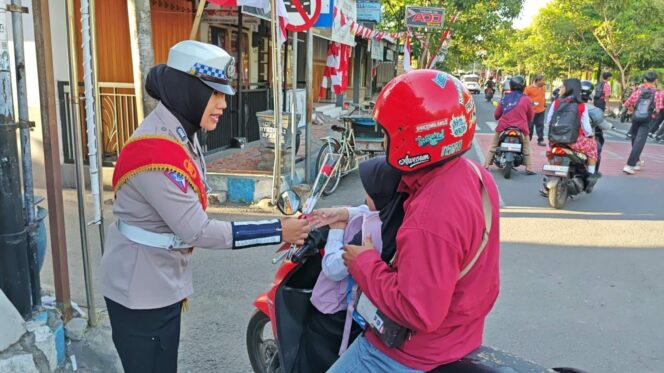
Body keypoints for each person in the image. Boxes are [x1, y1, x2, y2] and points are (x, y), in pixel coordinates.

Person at [98, 41, 310, 373]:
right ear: (189, 90)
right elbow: (197, 229)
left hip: (159, 279)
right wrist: (277, 229)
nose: (223, 104)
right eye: (215, 94)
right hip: (140, 290)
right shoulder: (156, 152)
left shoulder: (181, 131)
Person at [325, 70, 500, 372]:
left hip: (412, 352)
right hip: (462, 332)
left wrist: (364, 263)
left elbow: (418, 311)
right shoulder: (470, 173)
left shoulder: (431, 217)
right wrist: (350, 213)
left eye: (387, 133)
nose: (382, 142)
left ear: (414, 139)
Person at [295, 156, 405, 372]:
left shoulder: (371, 235)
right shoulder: (394, 218)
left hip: (337, 311)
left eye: (370, 193)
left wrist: (337, 229)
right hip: (364, 310)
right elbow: (368, 212)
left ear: (383, 196)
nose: (365, 198)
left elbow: (333, 269)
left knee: (314, 355)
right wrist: (344, 213)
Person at [545, 79, 599, 183]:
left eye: (562, 87)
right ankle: (590, 177)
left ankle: (551, 175)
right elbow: (587, 128)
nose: (560, 89)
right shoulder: (581, 105)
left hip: (556, 140)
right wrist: (589, 135)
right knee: (593, 148)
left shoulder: (556, 102)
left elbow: (548, 122)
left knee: (551, 153)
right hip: (574, 141)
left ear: (569, 89)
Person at [484, 75, 536, 175]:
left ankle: (486, 164)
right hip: (521, 128)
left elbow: (496, 115)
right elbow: (530, 116)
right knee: (526, 147)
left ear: (511, 85)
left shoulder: (505, 98)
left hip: (503, 127)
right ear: (523, 86)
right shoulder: (526, 99)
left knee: (494, 145)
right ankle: (529, 168)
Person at [621, 71, 662, 174]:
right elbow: (658, 109)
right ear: (656, 81)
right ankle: (630, 165)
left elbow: (627, 103)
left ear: (644, 80)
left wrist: (632, 110)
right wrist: (653, 115)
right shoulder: (659, 93)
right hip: (647, 119)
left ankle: (637, 161)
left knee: (634, 139)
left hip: (636, 117)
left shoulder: (639, 90)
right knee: (639, 142)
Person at [580, 80, 613, 172]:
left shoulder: (566, 104)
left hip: (560, 138)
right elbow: (603, 126)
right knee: (595, 149)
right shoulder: (593, 110)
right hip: (581, 139)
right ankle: (591, 174)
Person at [524, 74, 547, 146]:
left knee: (540, 125)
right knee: (530, 126)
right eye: (542, 81)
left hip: (541, 110)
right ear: (537, 81)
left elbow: (543, 97)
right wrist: (530, 103)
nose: (543, 83)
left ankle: (540, 140)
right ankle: (528, 140)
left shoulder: (543, 88)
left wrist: (544, 104)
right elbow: (524, 98)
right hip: (531, 111)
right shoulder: (528, 88)